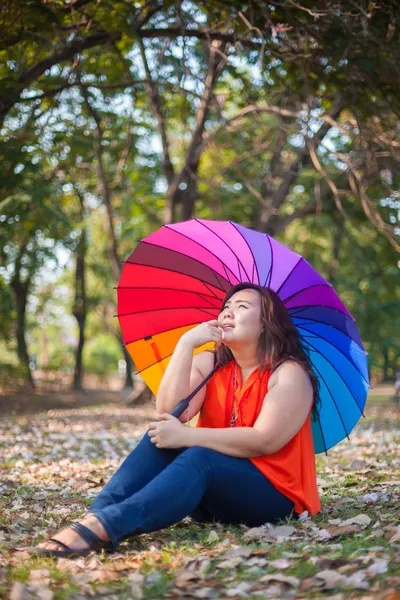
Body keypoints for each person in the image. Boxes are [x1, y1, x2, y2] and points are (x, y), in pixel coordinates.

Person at [23, 283, 321, 558]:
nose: (228, 311)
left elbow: (264, 439)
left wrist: (188, 436)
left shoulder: (289, 373)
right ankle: (95, 516)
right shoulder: (214, 365)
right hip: (213, 496)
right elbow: (168, 410)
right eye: (226, 306)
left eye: (242, 306)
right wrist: (185, 345)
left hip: (274, 497)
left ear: (268, 323)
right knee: (160, 434)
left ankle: (104, 527)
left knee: (199, 454)